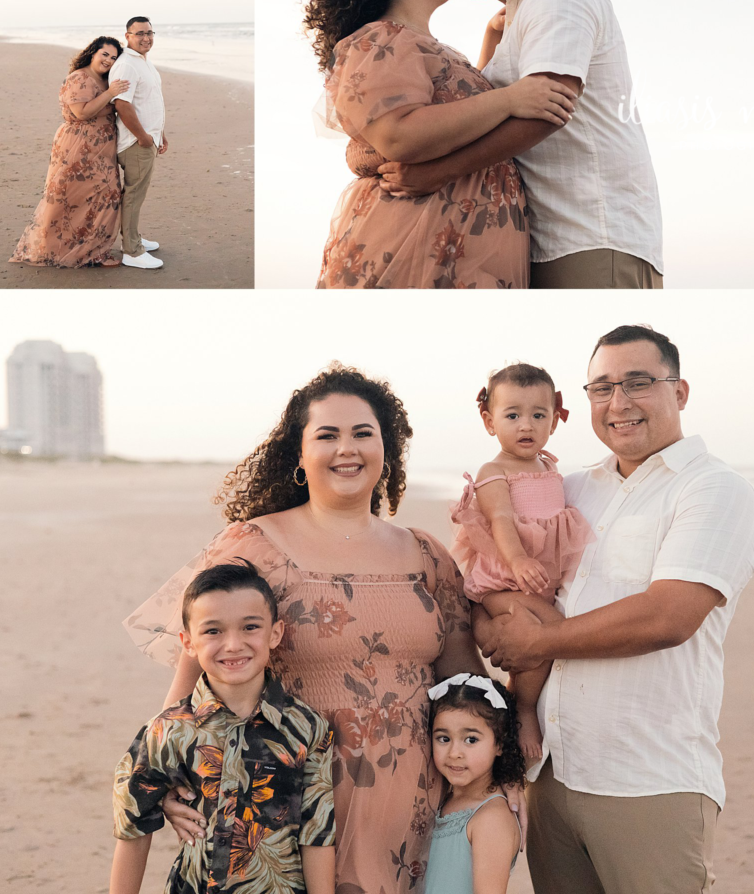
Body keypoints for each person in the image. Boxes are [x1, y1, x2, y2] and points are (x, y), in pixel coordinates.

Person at [124, 365, 485, 892]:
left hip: (413, 802)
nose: (348, 448)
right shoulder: (253, 546)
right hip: (283, 799)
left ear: (388, 448)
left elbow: (463, 680)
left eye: (364, 433)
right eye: (328, 435)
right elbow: (193, 679)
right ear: (300, 453)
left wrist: (496, 767)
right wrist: (171, 775)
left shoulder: (428, 554)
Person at [477, 325, 754, 893]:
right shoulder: (571, 487)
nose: (619, 403)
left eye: (638, 383)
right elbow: (498, 560)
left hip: (649, 780)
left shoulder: (713, 489)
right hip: (552, 775)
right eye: (602, 387)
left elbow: (668, 617)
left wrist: (535, 643)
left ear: (679, 392)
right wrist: (490, 620)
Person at [379, 0, 663, 290]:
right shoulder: (521, 15)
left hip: (589, 233)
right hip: (546, 237)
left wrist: (437, 173)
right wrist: (493, 37)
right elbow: (477, 110)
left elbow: (548, 107)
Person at [303, 0, 576, 289]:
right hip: (416, 237)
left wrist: (492, 39)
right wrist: (509, 99)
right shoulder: (380, 40)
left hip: (463, 239)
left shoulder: (426, 46)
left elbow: (456, 116)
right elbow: (397, 134)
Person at [110, 561, 335, 894]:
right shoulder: (166, 731)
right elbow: (133, 831)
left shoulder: (308, 729)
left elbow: (316, 836)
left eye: (249, 628)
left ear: (275, 634)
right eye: (213, 631)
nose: (233, 644)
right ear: (188, 642)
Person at [449, 364, 591, 762]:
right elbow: (501, 521)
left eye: (538, 415)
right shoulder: (494, 471)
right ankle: (522, 706)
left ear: (554, 421)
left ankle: (519, 699)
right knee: (548, 632)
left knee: (544, 636)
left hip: (536, 579)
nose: (526, 425)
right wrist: (519, 560)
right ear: (489, 422)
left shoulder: (549, 468)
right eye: (512, 415)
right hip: (504, 580)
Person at [9, 37, 127, 268]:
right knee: (69, 196)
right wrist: (110, 92)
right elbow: (81, 113)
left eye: (113, 58)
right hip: (77, 146)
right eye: (105, 54)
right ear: (93, 52)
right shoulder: (78, 78)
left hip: (102, 149)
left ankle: (94, 251)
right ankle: (62, 249)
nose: (109, 60)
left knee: (106, 195)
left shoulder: (105, 79)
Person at [423, 675, 523, 894]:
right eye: (444, 738)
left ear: (499, 743)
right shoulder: (444, 799)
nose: (454, 753)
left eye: (471, 740)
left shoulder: (491, 818)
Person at [108, 16, 166, 269]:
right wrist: (143, 137)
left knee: (137, 195)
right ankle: (132, 251)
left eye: (150, 33)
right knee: (133, 195)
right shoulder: (127, 65)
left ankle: (135, 239)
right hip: (135, 142)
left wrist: (160, 132)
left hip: (148, 137)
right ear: (127, 36)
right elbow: (122, 104)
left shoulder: (144, 62)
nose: (146, 38)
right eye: (140, 33)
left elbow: (150, 100)